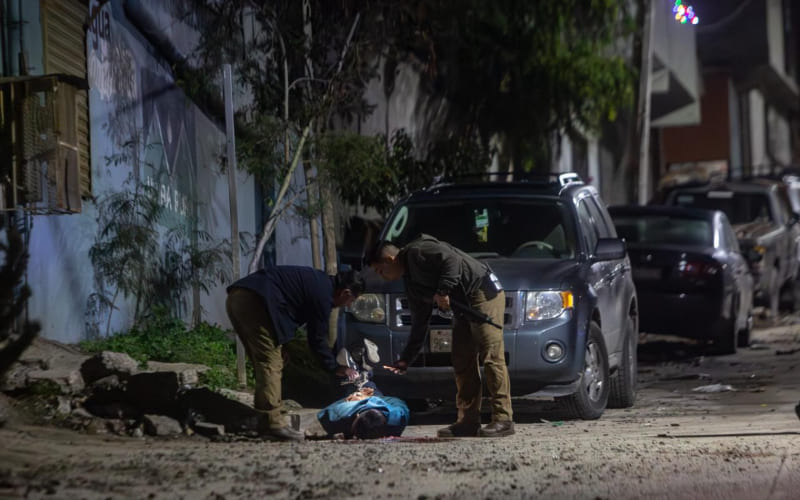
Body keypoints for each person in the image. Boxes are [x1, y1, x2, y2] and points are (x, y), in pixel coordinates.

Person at [365, 234, 514, 438]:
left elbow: (452, 260)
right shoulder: (412, 283)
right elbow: (420, 322)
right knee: (462, 359)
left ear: (390, 260)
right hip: (462, 305)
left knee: (490, 355)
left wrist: (443, 291)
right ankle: (468, 421)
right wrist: (406, 359)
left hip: (482, 292)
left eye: (380, 270)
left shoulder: (419, 250)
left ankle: (503, 419)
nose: (381, 276)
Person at [226, 266, 365, 441]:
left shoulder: (319, 284)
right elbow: (317, 339)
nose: (348, 305)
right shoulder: (323, 295)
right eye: (351, 300)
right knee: (270, 363)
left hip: (239, 297)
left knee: (267, 360)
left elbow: (282, 307)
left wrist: (283, 344)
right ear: (345, 293)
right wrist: (335, 367)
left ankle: (264, 418)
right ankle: (272, 424)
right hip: (255, 301)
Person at [316, 385, 410, 439]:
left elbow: (324, 413)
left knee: (363, 389)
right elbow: (323, 414)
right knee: (361, 388)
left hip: (379, 402)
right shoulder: (398, 418)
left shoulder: (396, 417)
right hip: (367, 401)